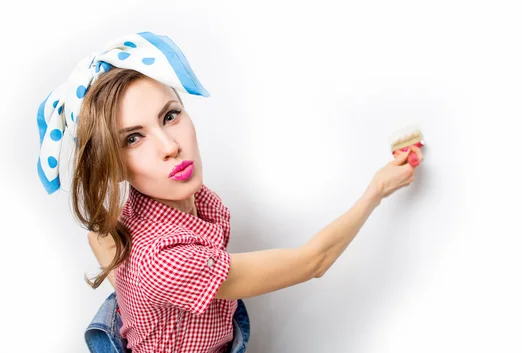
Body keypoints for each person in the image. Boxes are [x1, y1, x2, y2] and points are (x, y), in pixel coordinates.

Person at [36, 32, 423, 353]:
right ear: (114, 165)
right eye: (134, 139)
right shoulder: (168, 260)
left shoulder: (175, 203)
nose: (169, 145)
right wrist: (377, 189)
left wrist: (138, 298)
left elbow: (98, 236)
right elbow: (314, 262)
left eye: (170, 115)